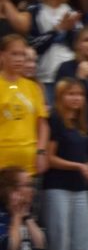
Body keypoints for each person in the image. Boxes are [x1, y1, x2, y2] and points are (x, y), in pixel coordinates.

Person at [44, 78, 88, 250]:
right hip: (58, 187)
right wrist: (79, 166)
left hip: (81, 188)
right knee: (60, 246)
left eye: (80, 94)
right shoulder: (55, 120)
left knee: (84, 245)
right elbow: (49, 158)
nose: (77, 98)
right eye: (71, 94)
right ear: (60, 96)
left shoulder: (82, 124)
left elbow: (81, 156)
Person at [0, 34, 49, 174]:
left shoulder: (33, 87)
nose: (19, 59)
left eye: (22, 54)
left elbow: (42, 125)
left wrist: (41, 151)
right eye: (14, 54)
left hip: (30, 165)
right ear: (2, 55)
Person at [0, 165, 43, 250]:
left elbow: (41, 247)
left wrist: (27, 217)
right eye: (27, 185)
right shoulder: (2, 216)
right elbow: (10, 249)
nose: (33, 190)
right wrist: (16, 216)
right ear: (11, 190)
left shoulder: (27, 213)